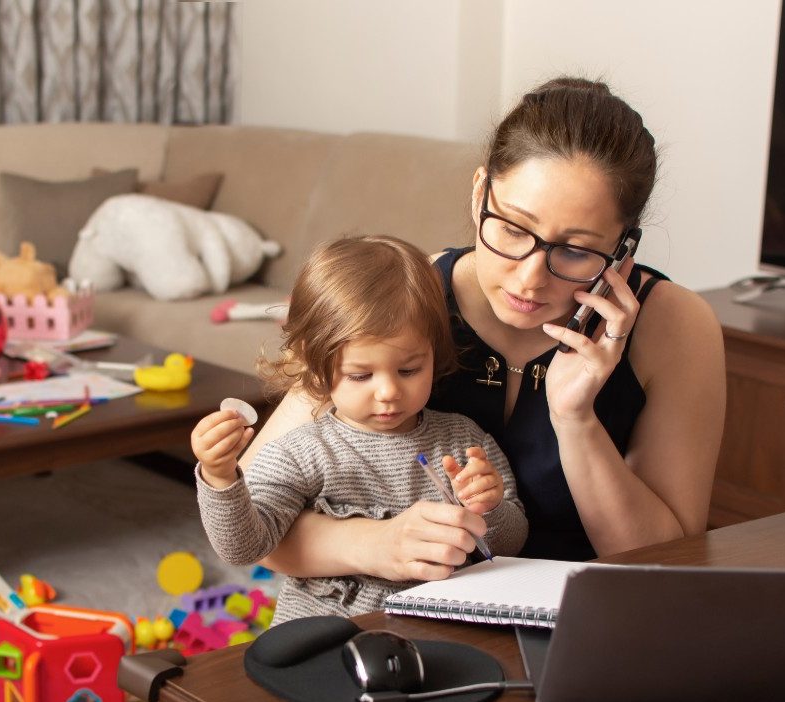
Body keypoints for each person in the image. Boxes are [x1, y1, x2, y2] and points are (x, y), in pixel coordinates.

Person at [247, 76, 726, 579]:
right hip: (408, 614)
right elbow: (249, 527)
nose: (529, 277)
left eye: (576, 250)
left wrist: (575, 420)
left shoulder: (676, 327)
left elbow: (669, 566)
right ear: (480, 195)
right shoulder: (405, 295)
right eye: (514, 230)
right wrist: (376, 543)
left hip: (585, 619)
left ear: (624, 248)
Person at [190, 235, 529, 624]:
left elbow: (511, 545)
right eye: (360, 375)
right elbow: (244, 546)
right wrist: (220, 478)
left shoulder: (463, 439)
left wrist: (489, 508)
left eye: (409, 370)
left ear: (434, 352)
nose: (388, 392)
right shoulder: (301, 452)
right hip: (323, 642)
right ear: (317, 368)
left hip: (438, 638)